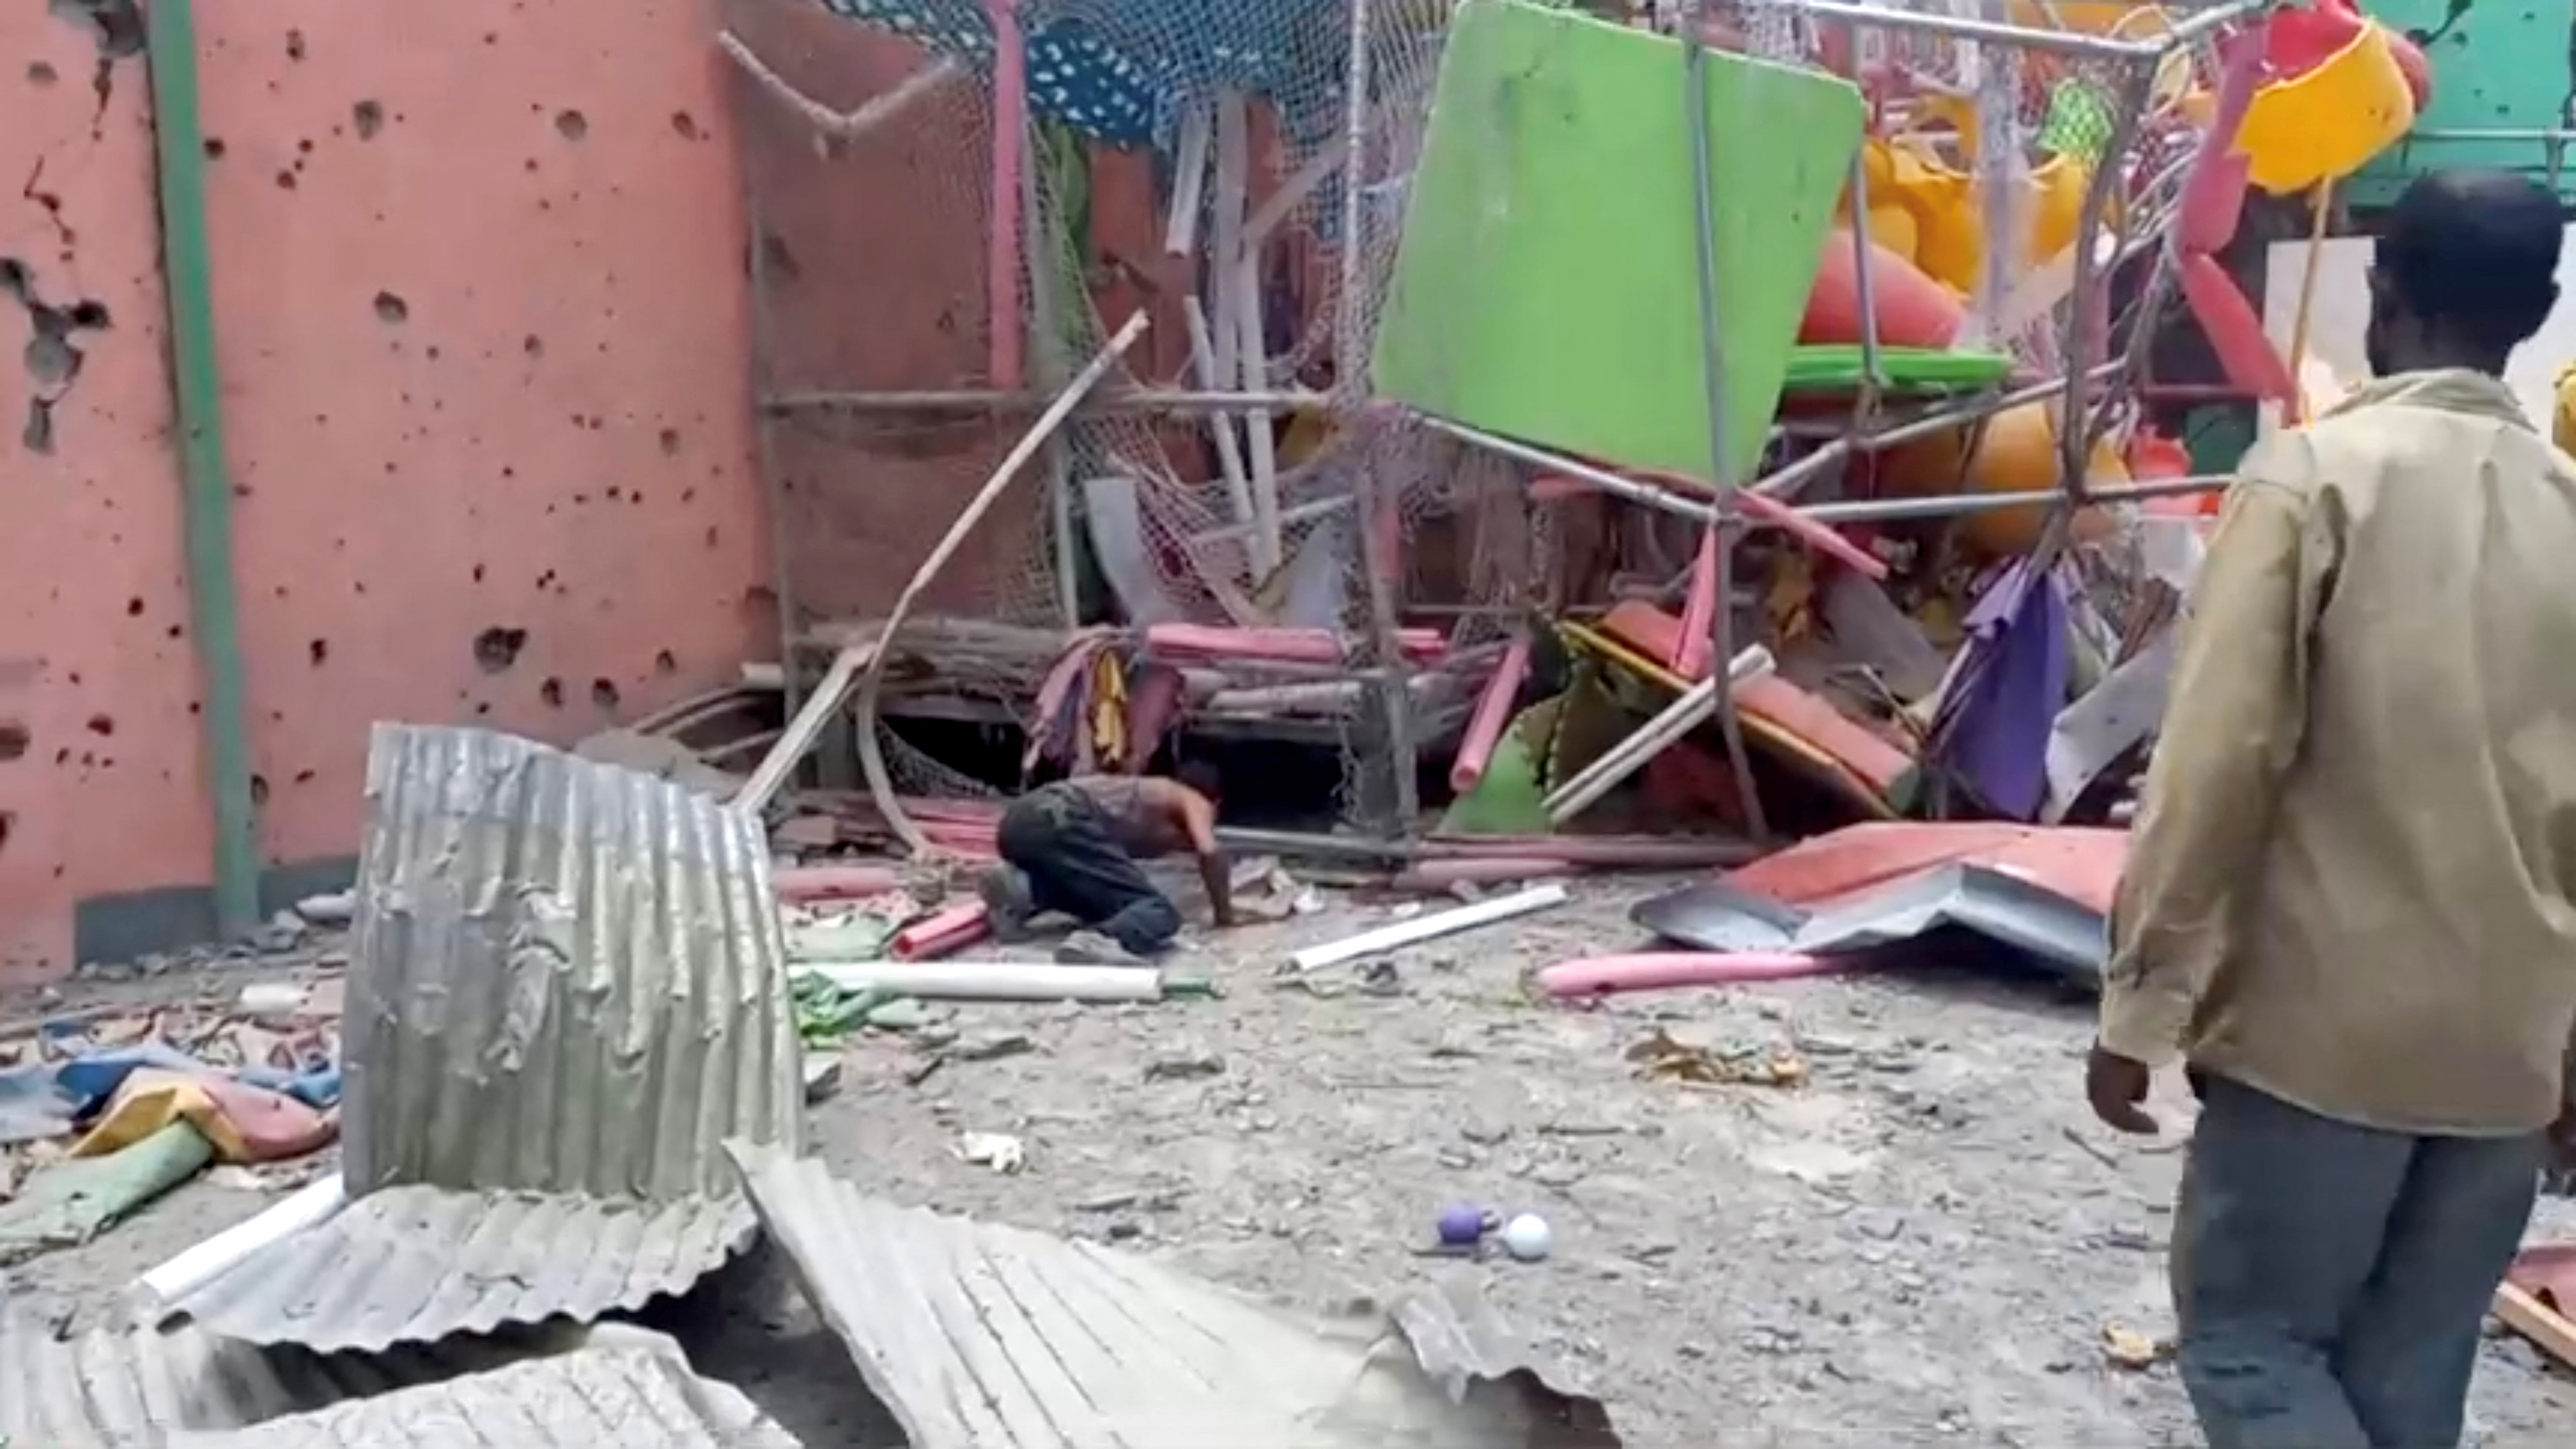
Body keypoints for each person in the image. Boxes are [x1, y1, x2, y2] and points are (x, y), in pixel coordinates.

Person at [2088, 168, 2576, 1449]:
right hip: (2504, 1061)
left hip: (2318, 1046)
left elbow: (2215, 765)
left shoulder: (2312, 481)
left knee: (2253, 1350)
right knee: (2408, 1385)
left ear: (2384, 295)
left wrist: (2140, 1003)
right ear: (2535, 315)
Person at [978, 766, 1234, 964]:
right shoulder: (1192, 798)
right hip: (1064, 816)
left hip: (1018, 821)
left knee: (1104, 904)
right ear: (1217, 803)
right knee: (1159, 911)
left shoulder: (1144, 796)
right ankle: (1098, 941)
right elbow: (1210, 851)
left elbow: (1102, 875)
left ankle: (1022, 889)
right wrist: (1225, 914)